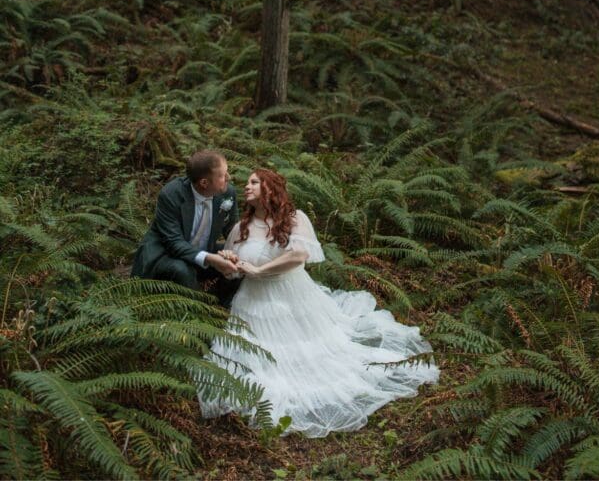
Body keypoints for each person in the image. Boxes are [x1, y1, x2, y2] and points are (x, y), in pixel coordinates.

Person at [199, 168, 439, 437]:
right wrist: (229, 262)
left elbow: (298, 255)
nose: (246, 186)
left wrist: (259, 271)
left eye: (255, 182)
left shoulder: (294, 218)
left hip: (291, 294)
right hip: (253, 301)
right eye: (247, 183)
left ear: (271, 187)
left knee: (313, 355)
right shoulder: (239, 228)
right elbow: (231, 272)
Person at [131, 149, 241, 306]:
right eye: (223, 175)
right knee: (182, 270)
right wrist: (210, 259)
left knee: (242, 258)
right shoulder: (171, 194)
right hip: (166, 254)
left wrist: (232, 250)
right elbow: (174, 243)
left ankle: (219, 304)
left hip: (204, 249)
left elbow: (232, 230)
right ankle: (198, 313)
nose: (228, 178)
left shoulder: (227, 193)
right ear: (204, 183)